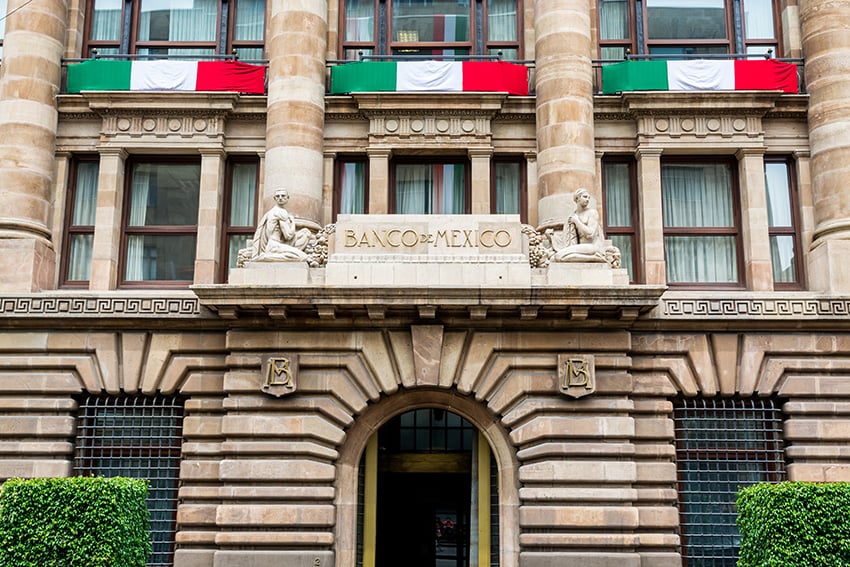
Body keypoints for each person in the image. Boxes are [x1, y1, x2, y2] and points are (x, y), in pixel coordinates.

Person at [241, 189, 314, 263]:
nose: (280, 198)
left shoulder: (271, 212)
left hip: (273, 245)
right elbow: (288, 235)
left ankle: (267, 256)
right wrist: (293, 222)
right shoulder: (281, 212)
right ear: (274, 198)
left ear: (287, 198)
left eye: (283, 196)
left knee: (305, 233)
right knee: (302, 257)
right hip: (275, 246)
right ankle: (265, 257)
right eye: (277, 196)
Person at [550, 188, 607, 262]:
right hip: (580, 248)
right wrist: (551, 236)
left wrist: (577, 221)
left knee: (559, 256)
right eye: (585, 197)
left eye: (588, 197)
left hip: (592, 246)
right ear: (577, 198)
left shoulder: (592, 213)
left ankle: (596, 256)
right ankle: (595, 258)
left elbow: (590, 234)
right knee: (556, 258)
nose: (587, 200)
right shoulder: (573, 215)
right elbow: (567, 238)